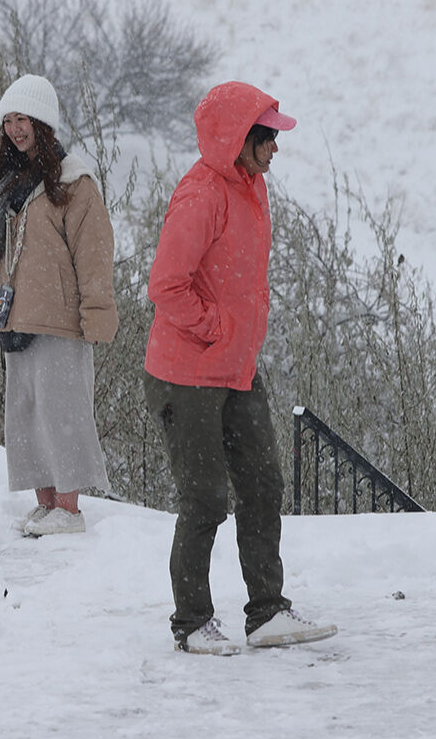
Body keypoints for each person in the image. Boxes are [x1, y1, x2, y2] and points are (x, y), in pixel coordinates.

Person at [142, 80, 337, 654]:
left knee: (263, 484)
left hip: (237, 369)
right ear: (237, 138)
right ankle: (193, 623)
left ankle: (267, 613)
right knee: (204, 498)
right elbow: (167, 286)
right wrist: (219, 330)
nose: (276, 148)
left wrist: (242, 335)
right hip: (187, 374)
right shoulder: (201, 194)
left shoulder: (252, 188)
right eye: (268, 137)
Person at [0, 73, 119, 537]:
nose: (14, 128)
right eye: (8, 120)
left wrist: (97, 313)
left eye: (22, 118)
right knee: (28, 415)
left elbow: (94, 250)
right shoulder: (8, 184)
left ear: (42, 122)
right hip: (15, 318)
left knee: (63, 413)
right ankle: (47, 506)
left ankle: (69, 508)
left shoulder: (73, 181)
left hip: (61, 321)